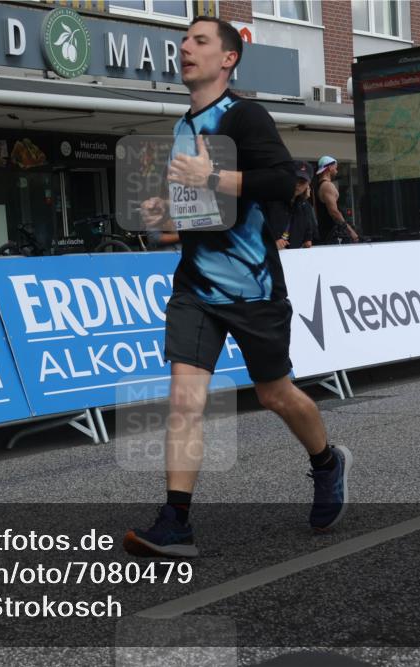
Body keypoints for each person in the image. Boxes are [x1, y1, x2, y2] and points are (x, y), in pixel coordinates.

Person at [124, 17, 351, 558]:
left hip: (252, 287)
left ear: (228, 58)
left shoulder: (245, 116)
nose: (185, 48)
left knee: (276, 393)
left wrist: (208, 178)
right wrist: (163, 213)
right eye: (183, 41)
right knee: (184, 399)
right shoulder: (183, 126)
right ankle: (176, 522)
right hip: (196, 287)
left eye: (200, 41)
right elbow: (199, 210)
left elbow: (283, 181)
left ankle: (327, 461)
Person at [265, 161, 318, 250]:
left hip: (293, 259)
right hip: (269, 258)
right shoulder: (269, 200)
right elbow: (253, 231)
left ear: (308, 184)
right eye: (294, 179)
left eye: (302, 182)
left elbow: (309, 236)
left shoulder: (305, 207)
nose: (297, 184)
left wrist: (307, 242)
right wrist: (270, 244)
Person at [314, 156, 359, 244]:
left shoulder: (317, 187)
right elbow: (334, 212)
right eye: (336, 168)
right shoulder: (327, 186)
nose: (337, 171)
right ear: (330, 167)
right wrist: (351, 231)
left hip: (325, 234)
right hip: (332, 236)